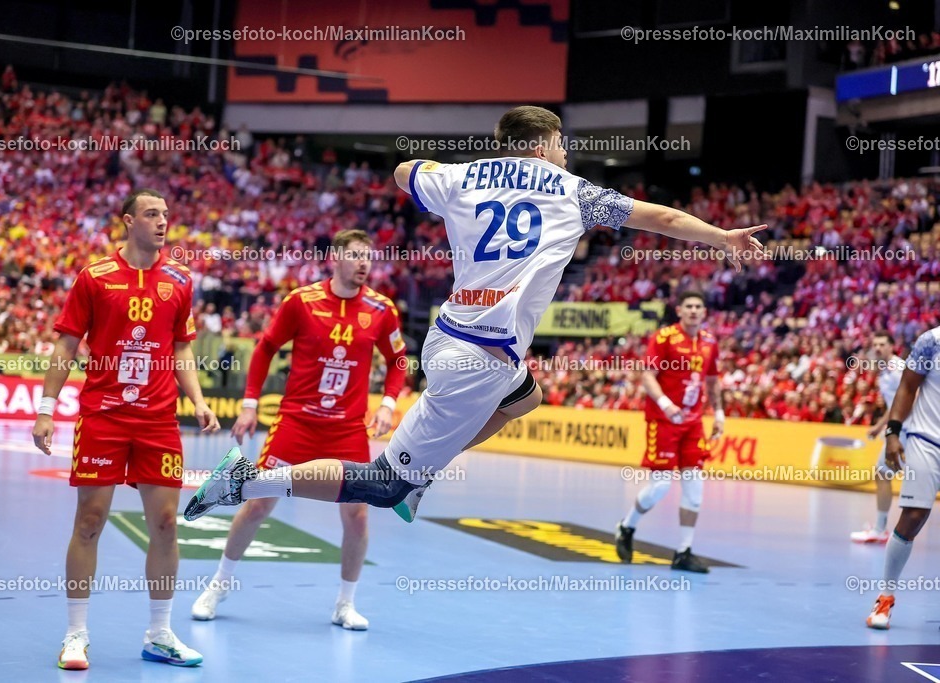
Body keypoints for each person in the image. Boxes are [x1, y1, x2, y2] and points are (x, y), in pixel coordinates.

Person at [183, 105, 766, 531]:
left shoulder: (461, 176)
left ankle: (423, 476)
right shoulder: (572, 191)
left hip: (449, 334)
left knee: (527, 398)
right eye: (561, 142)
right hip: (481, 359)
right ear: (542, 145)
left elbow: (405, 171)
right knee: (385, 485)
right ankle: (251, 480)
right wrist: (721, 237)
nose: (566, 152)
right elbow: (659, 218)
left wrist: (464, 167)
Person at [32, 189, 220, 670]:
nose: (162, 222)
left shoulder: (179, 280)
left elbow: (180, 348)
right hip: (103, 416)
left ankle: (159, 634)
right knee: (89, 522)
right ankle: (76, 635)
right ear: (127, 221)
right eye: (152, 214)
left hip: (158, 420)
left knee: (164, 524)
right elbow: (66, 346)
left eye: (166, 215)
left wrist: (196, 400)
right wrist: (47, 408)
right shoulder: (94, 278)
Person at [190, 229, 406, 630]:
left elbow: (399, 361)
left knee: (358, 516)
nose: (364, 264)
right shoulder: (301, 302)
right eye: (356, 256)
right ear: (336, 258)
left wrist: (389, 405)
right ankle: (218, 585)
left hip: (346, 429)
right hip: (297, 422)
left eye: (368, 258)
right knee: (257, 502)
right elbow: (266, 347)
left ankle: (345, 603)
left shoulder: (381, 310)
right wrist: (250, 404)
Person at [613, 292, 723, 573]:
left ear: (704, 311)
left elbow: (712, 380)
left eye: (699, 306)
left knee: (694, 489)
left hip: (693, 422)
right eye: (689, 306)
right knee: (661, 486)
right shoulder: (664, 338)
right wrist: (665, 403)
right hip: (663, 420)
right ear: (679, 310)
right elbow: (648, 374)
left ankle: (684, 552)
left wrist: (719, 414)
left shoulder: (710, 341)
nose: (694, 311)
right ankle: (627, 527)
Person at [866, 325, 940, 629]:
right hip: (926, 439)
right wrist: (892, 432)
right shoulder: (932, 341)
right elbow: (907, 388)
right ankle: (885, 598)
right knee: (913, 515)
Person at [851, 331, 905, 543]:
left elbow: (913, 396)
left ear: (892, 346)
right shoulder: (884, 371)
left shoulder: (898, 368)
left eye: (882, 344)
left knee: (883, 474)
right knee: (885, 474)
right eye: (875, 344)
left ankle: (882, 529)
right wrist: (879, 426)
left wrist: (895, 429)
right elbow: (895, 404)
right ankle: (882, 527)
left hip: (907, 430)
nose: (878, 348)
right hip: (900, 427)